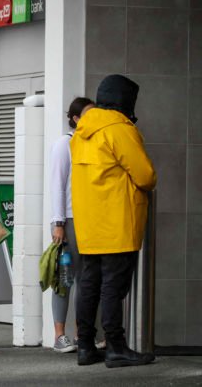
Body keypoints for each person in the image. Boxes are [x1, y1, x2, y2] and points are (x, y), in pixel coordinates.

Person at [71, 74, 157, 367]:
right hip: (118, 221)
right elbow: (145, 176)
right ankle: (116, 347)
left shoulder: (82, 131)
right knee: (112, 287)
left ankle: (84, 346)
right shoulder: (120, 129)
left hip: (89, 223)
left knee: (89, 285)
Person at [49, 97, 94, 353]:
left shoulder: (89, 143)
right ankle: (59, 335)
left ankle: (80, 334)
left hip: (87, 218)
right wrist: (58, 223)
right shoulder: (65, 144)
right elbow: (57, 184)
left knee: (84, 279)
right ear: (76, 119)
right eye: (88, 113)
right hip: (67, 220)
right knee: (64, 278)